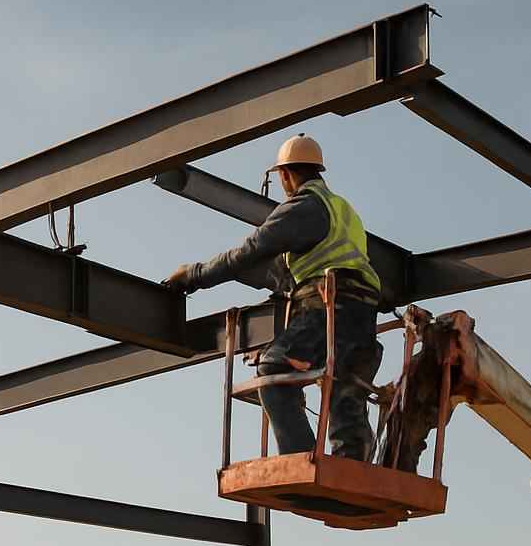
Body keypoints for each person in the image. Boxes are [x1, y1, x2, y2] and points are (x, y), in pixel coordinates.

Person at [164, 134, 384, 461]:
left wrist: (194, 274)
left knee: (274, 372)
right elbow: (288, 268)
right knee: (344, 392)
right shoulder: (343, 210)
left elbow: (250, 251)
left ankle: (300, 462)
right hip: (363, 311)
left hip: (327, 305)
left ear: (284, 174)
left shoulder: (303, 207)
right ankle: (351, 470)